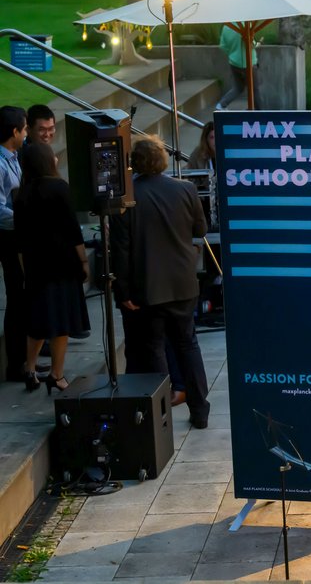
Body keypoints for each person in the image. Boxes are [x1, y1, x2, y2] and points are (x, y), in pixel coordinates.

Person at [110, 135, 211, 429]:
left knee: (154, 348)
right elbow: (200, 228)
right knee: (187, 345)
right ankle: (200, 409)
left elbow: (122, 252)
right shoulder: (186, 189)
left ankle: (161, 414)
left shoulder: (126, 202)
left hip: (149, 288)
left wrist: (123, 291)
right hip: (182, 283)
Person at [15, 143, 89, 393]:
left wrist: (27, 273)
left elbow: (20, 242)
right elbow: (73, 230)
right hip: (62, 266)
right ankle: (57, 375)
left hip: (36, 267)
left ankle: (31, 367)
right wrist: (84, 261)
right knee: (61, 323)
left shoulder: (21, 194)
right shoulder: (59, 188)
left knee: (37, 322)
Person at [0, 106, 27, 382]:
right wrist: (26, 218)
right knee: (17, 297)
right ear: (14, 132)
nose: (27, 133)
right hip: (7, 239)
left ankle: (24, 360)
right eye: (25, 128)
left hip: (17, 235)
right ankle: (16, 364)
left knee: (22, 297)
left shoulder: (14, 157)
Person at [215, 25, 260, 110]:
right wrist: (256, 44)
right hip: (249, 63)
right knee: (254, 90)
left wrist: (232, 53)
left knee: (238, 87)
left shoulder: (226, 26)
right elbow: (250, 43)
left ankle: (221, 105)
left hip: (234, 63)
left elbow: (223, 45)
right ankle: (259, 114)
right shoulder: (245, 24)